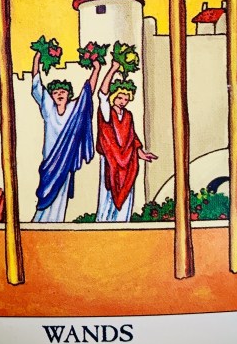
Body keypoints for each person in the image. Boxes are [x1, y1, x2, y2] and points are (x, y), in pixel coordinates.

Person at [31, 47, 100, 222]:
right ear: (51, 96)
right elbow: (37, 84)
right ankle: (41, 221)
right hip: (50, 160)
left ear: (69, 94)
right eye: (55, 92)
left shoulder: (73, 109)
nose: (59, 94)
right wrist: (37, 58)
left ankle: (55, 222)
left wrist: (96, 69)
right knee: (45, 192)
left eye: (62, 92)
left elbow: (88, 93)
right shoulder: (48, 108)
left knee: (61, 193)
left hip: (66, 159)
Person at [96, 58, 157, 221]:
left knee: (127, 192)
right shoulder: (107, 111)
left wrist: (141, 153)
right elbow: (102, 94)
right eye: (120, 98)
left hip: (128, 160)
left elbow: (132, 137)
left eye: (126, 99)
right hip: (111, 159)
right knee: (108, 192)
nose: (123, 102)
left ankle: (122, 221)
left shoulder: (128, 115)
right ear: (114, 97)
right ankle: (104, 222)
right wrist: (113, 69)